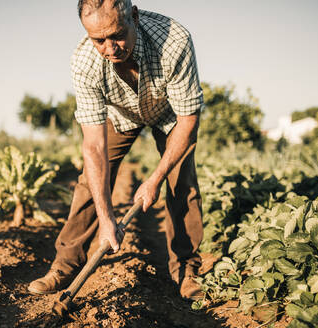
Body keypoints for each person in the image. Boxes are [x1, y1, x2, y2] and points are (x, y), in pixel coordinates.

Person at [28, 0, 204, 300]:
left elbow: (188, 119)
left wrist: (155, 178)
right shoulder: (84, 63)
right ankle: (65, 264)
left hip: (170, 115)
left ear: (133, 16)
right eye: (99, 40)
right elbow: (94, 146)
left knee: (181, 180)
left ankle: (186, 268)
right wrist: (106, 216)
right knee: (89, 181)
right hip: (121, 115)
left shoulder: (174, 42)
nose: (110, 48)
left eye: (117, 35)